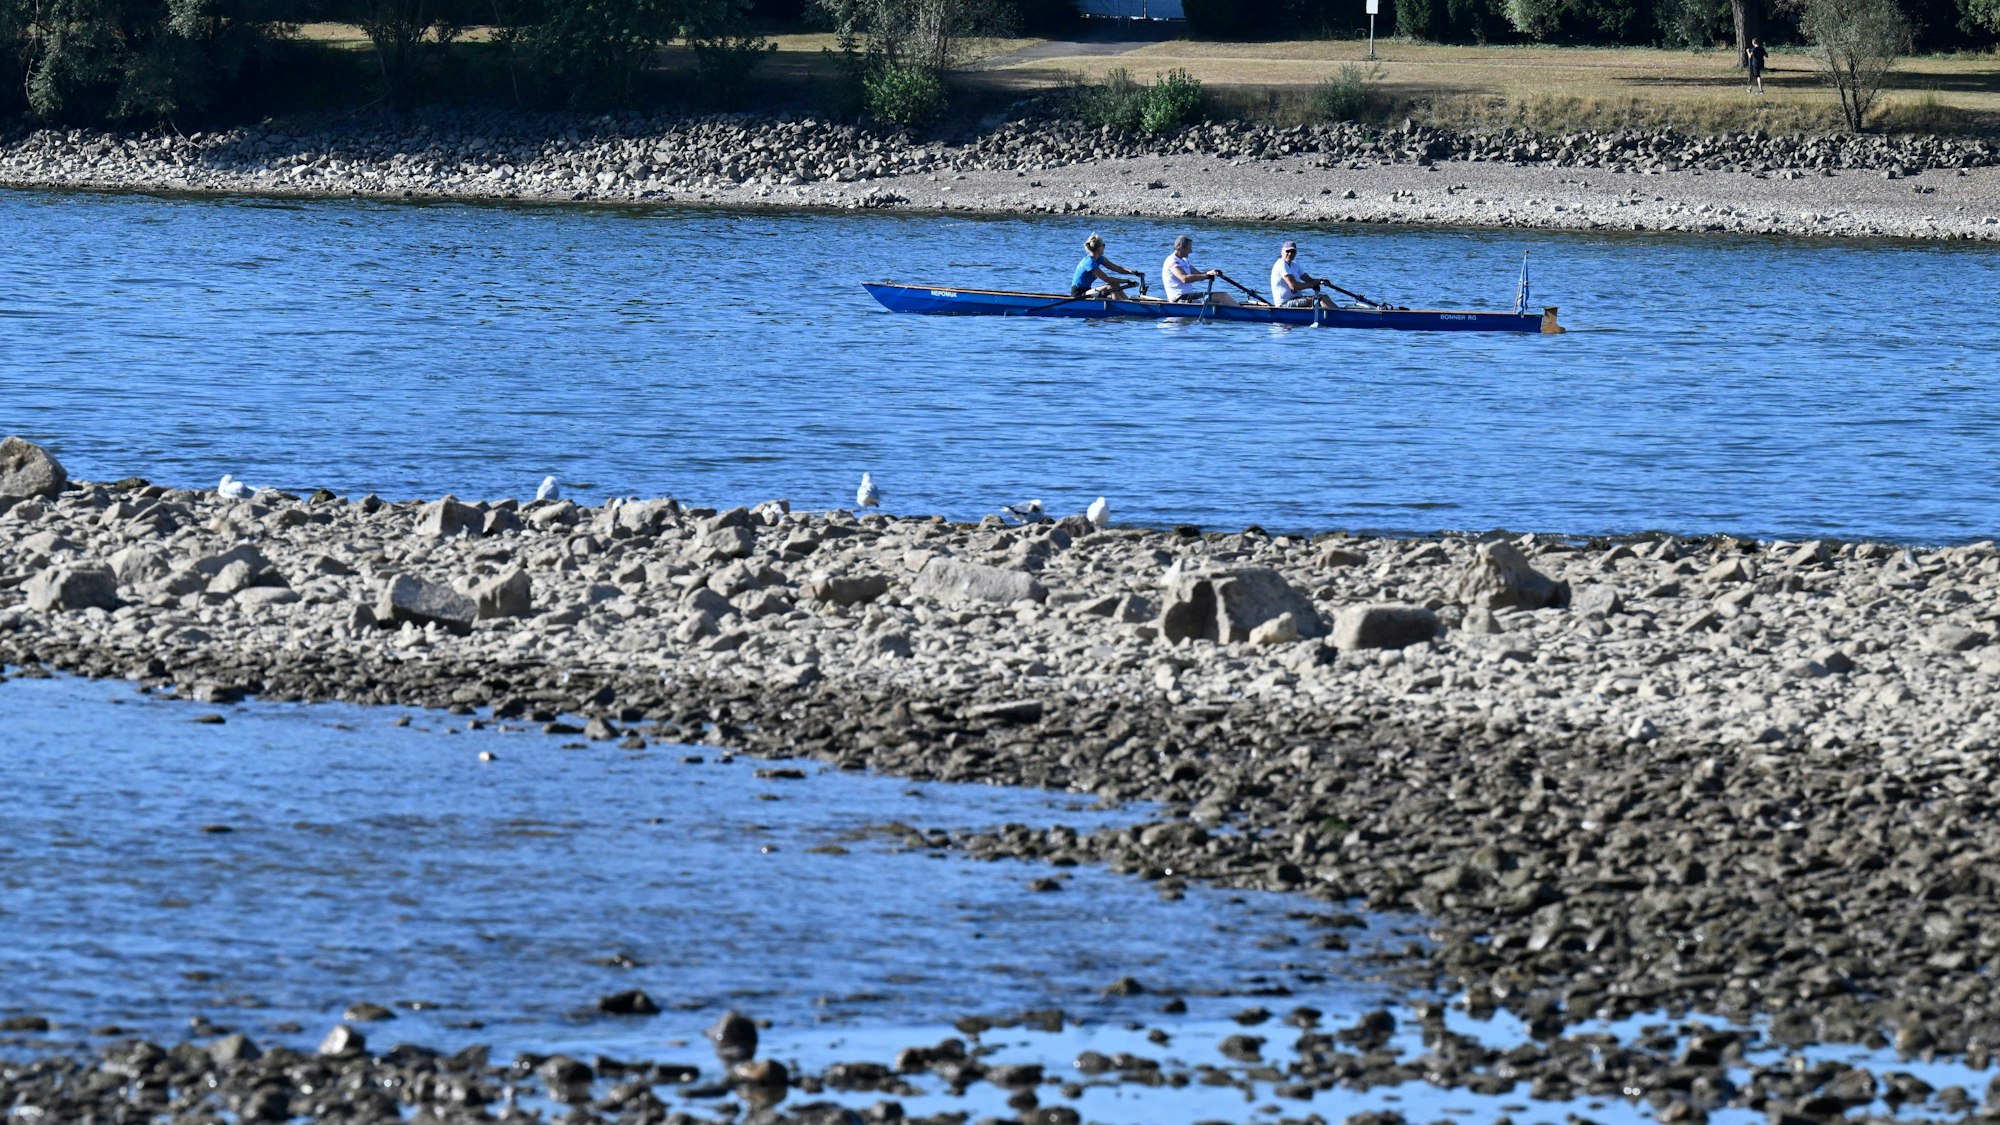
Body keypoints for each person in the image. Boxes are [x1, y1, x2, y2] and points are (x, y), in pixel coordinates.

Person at [1162, 235, 1236, 306]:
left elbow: (1199, 274)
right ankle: (1243, 313)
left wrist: (1212, 272)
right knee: (1222, 296)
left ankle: (1238, 309)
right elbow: (1184, 278)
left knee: (1221, 299)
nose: (1191, 251)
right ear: (1180, 248)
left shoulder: (1184, 261)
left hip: (1189, 297)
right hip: (1179, 299)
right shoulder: (1172, 261)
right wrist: (1206, 276)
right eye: (1189, 248)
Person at [1070, 233, 1144, 299]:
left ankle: (1127, 303)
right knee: (1111, 286)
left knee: (1116, 284)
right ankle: (1119, 309)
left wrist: (1133, 272)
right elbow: (1107, 279)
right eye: (1103, 245)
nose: (1104, 247)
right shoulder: (1089, 262)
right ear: (1099, 247)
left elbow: (1117, 268)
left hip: (1088, 290)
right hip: (1078, 294)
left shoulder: (1100, 259)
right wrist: (1127, 281)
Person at [1269, 241, 1335, 309]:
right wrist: (1312, 285)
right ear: (1282, 252)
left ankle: (1339, 313)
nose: (1290, 254)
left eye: (1292, 251)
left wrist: (1320, 281)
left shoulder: (1295, 265)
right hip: (1285, 304)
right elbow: (1294, 286)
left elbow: (1309, 280)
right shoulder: (1281, 264)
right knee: (1321, 299)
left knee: (1325, 297)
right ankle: (1341, 316)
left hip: (1296, 299)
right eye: (1287, 251)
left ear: (1296, 253)